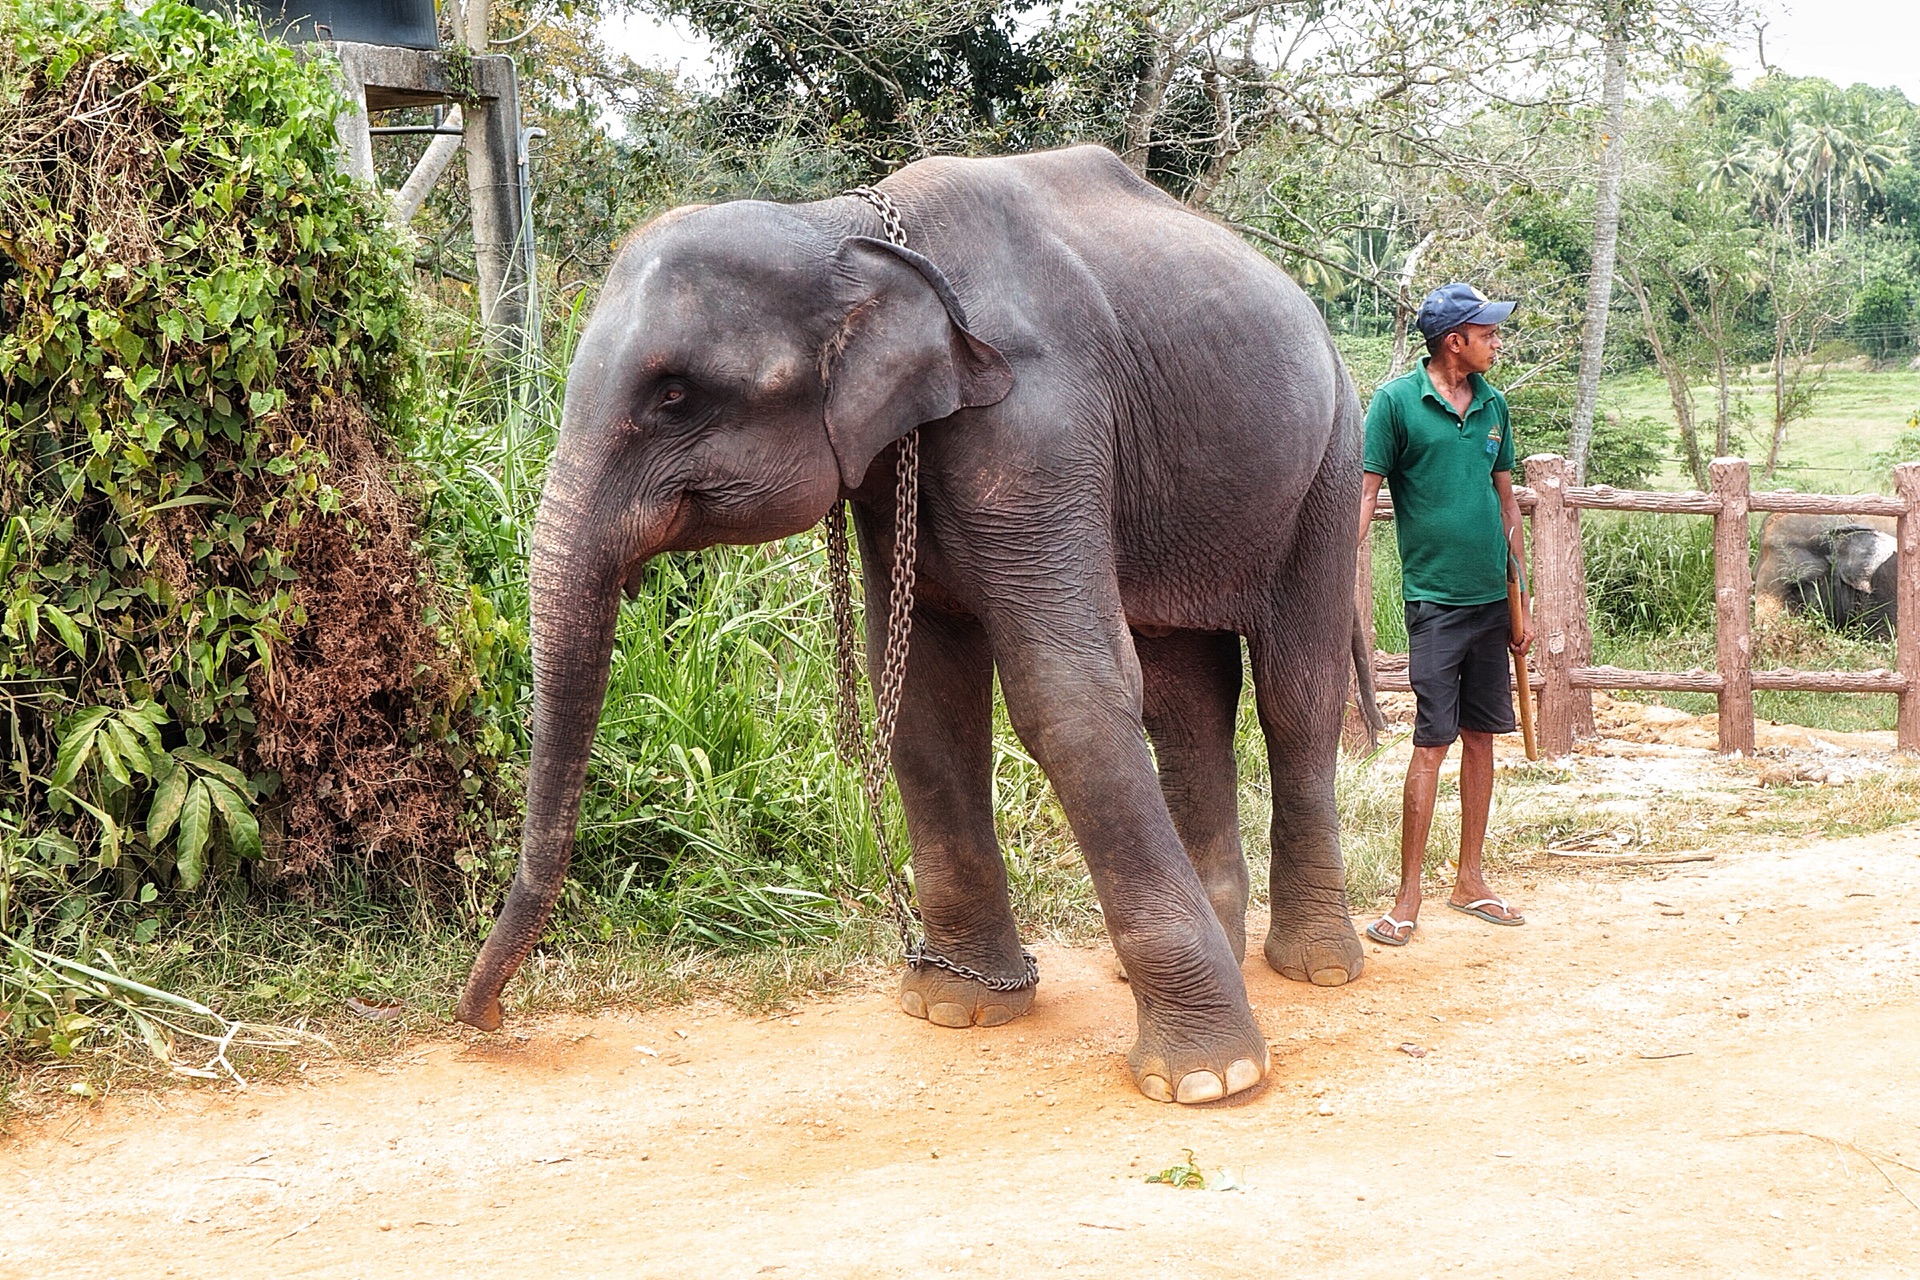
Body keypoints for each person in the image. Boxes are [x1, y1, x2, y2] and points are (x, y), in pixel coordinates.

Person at [1357, 283, 1532, 947]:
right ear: (1453, 340)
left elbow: (1507, 502)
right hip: (1434, 602)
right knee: (1432, 743)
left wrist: (1523, 594)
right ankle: (1407, 896)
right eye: (1486, 332)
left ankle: (1471, 879)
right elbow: (1366, 495)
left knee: (1483, 738)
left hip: (1493, 599)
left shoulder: (1494, 406)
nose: (1496, 341)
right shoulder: (1396, 403)